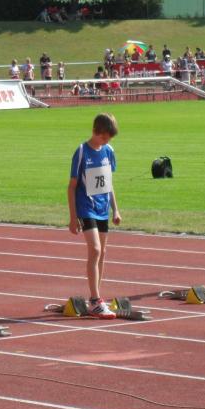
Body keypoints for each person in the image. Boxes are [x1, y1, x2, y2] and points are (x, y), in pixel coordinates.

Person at [67, 113, 121, 319]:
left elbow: (108, 183)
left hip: (102, 208)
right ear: (95, 132)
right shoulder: (82, 151)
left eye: (109, 138)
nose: (106, 141)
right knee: (95, 249)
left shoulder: (109, 151)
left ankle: (96, 300)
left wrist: (115, 209)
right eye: (103, 137)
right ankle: (95, 300)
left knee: (102, 252)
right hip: (86, 207)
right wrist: (73, 217)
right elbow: (71, 187)